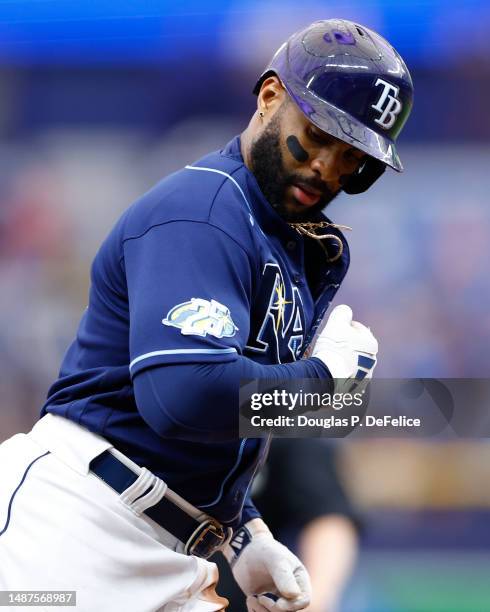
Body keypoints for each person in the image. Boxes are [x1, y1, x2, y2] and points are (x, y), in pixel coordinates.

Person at [0, 18, 412, 612]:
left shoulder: (293, 242)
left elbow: (226, 410)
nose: (328, 167)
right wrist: (322, 384)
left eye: (353, 156)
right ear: (270, 97)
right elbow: (184, 396)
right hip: (74, 528)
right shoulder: (202, 211)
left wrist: (244, 530)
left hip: (174, 545)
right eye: (319, 134)